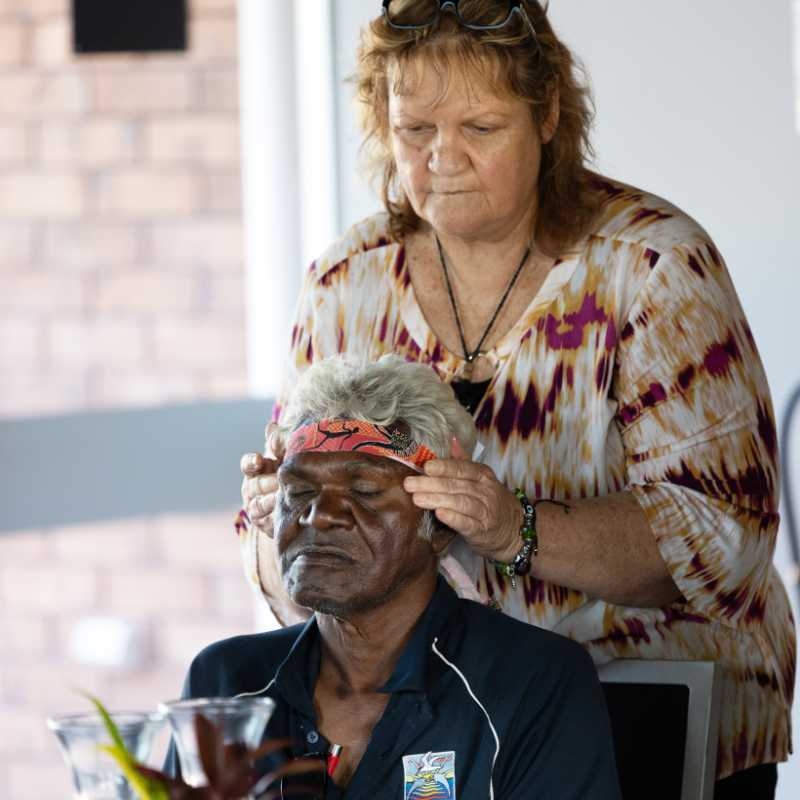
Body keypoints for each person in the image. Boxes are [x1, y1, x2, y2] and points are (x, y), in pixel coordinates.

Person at [238, 2, 794, 796]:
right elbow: (291, 566)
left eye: (481, 128)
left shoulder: (651, 266)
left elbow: (727, 544)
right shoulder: (345, 282)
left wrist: (514, 527)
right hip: (440, 731)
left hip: (657, 723)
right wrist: (275, 521)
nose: (443, 160)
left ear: (549, 116)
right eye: (415, 129)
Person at [182, 356, 622, 799]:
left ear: (442, 524)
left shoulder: (533, 684)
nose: (320, 514)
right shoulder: (227, 684)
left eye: (365, 491)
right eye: (299, 492)